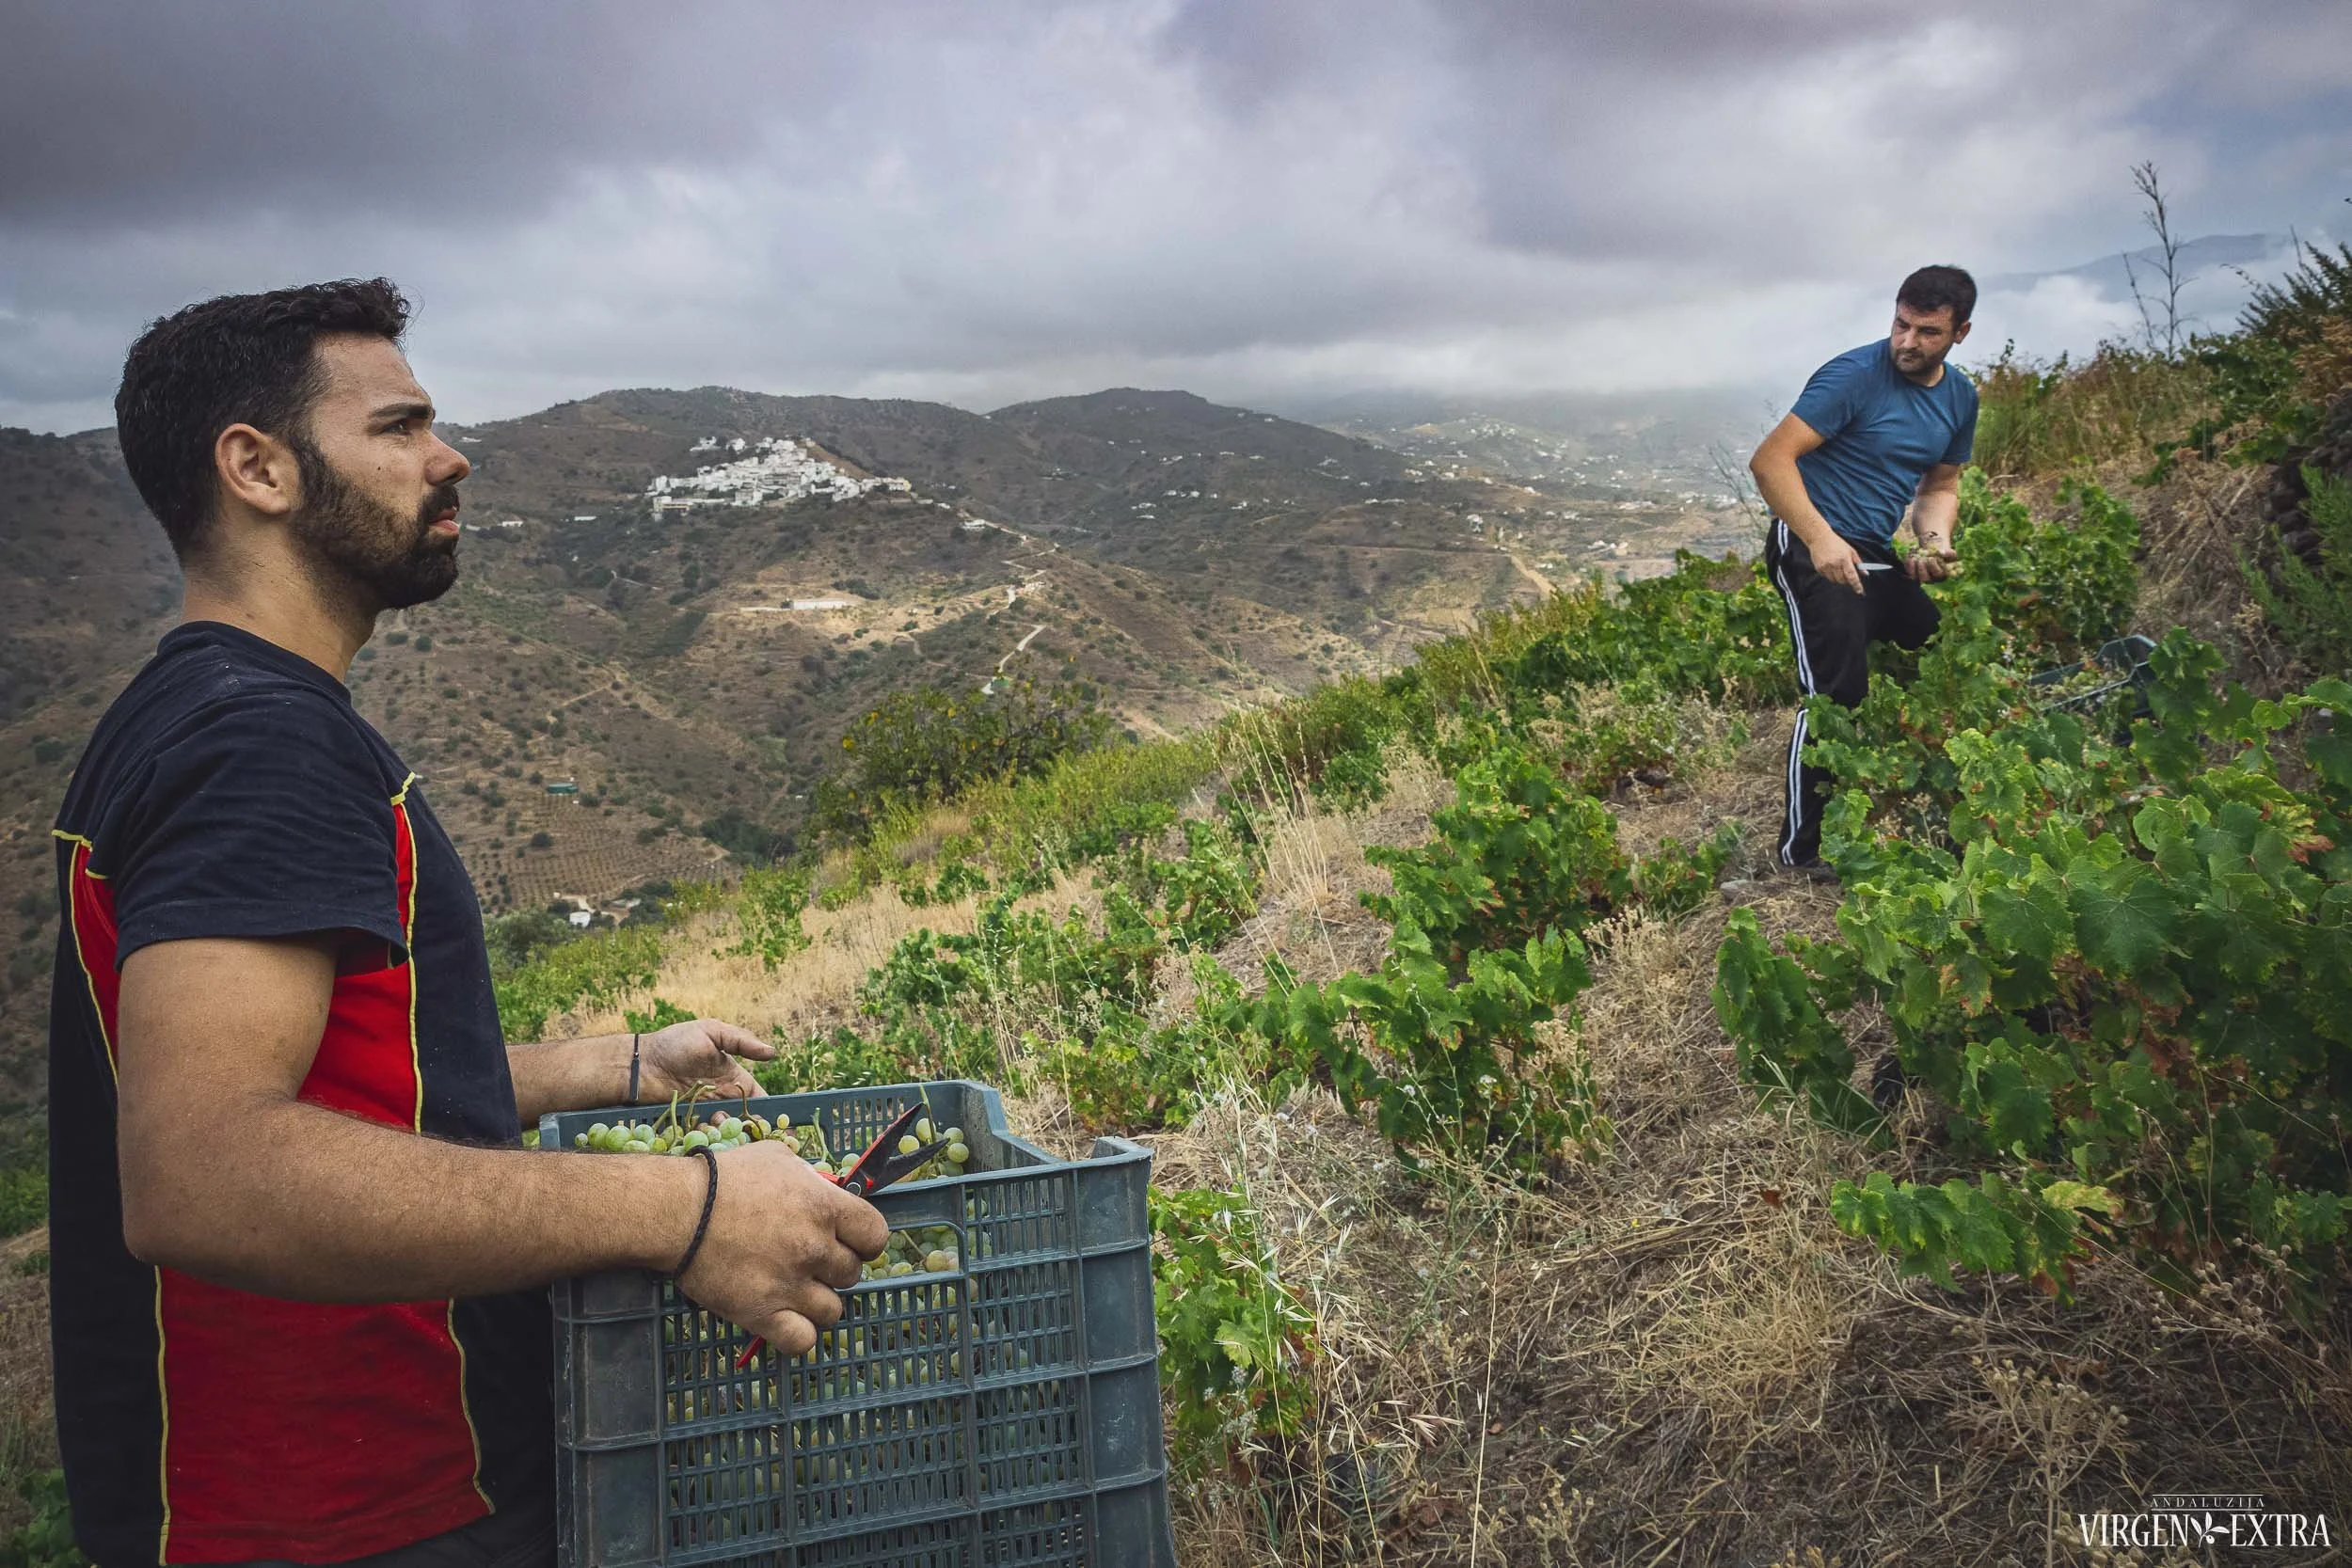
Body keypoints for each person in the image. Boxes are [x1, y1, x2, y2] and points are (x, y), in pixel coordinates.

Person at [47, 279, 889, 1568]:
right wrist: (681, 1207)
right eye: (399, 426)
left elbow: (324, 1073)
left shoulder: (206, 711)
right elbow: (202, 1167)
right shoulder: (260, 744)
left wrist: (606, 1066)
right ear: (256, 467)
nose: (453, 458)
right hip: (340, 1509)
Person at [1748, 265, 1979, 876]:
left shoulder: (1960, 398)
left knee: (1930, 642)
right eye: (1901, 324)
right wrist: (1820, 538)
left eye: (1927, 332)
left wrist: (1933, 542)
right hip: (1808, 538)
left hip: (1873, 545)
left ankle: (1908, 777)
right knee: (1835, 691)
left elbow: (1941, 484)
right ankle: (1801, 853)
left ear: (1961, 333)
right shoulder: (1852, 374)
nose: (1907, 342)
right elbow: (1770, 461)